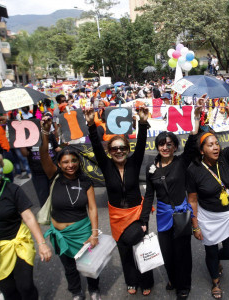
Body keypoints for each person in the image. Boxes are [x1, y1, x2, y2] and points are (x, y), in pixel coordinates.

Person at [84, 105, 153, 296]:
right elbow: (97, 146)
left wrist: (143, 122)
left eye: (123, 148)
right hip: (116, 217)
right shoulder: (106, 165)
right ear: (109, 151)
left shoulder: (134, 161)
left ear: (127, 149)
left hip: (137, 215)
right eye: (114, 149)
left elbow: (141, 142)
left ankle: (146, 280)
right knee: (124, 251)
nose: (119, 151)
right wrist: (91, 124)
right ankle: (131, 281)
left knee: (141, 249)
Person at [0, 149, 52, 300]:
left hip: (18, 244)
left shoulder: (13, 190)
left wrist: (42, 243)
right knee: (10, 292)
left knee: (25, 287)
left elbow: (29, 217)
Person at [141, 98, 204, 299]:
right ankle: (173, 278)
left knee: (182, 253)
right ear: (157, 146)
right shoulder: (151, 168)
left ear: (175, 147)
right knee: (167, 254)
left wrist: (196, 117)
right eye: (162, 144)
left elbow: (193, 143)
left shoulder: (181, 162)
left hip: (180, 214)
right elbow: (149, 195)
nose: (165, 147)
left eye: (169, 144)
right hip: (162, 216)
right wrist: (143, 221)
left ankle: (183, 285)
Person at [186, 107, 229, 299]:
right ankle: (214, 281)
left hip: (227, 216)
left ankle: (214, 260)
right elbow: (193, 200)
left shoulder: (224, 159)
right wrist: (195, 226)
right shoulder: (194, 169)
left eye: (217, 143)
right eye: (210, 144)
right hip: (207, 218)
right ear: (201, 150)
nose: (215, 147)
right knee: (210, 251)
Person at [39, 116, 101, 300]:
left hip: (82, 232)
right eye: (65, 162)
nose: (70, 165)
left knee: (89, 263)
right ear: (59, 164)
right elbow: (43, 155)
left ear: (78, 162)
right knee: (69, 267)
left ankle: (94, 289)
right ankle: (76, 292)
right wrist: (45, 133)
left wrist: (95, 233)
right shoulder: (54, 176)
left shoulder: (85, 181)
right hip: (60, 235)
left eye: (73, 161)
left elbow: (92, 208)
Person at [20, 113, 61, 206]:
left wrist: (68, 149)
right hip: (38, 172)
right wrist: (22, 144)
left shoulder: (49, 135)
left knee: (57, 195)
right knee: (44, 198)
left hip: (53, 169)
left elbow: (56, 148)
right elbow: (25, 154)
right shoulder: (27, 139)